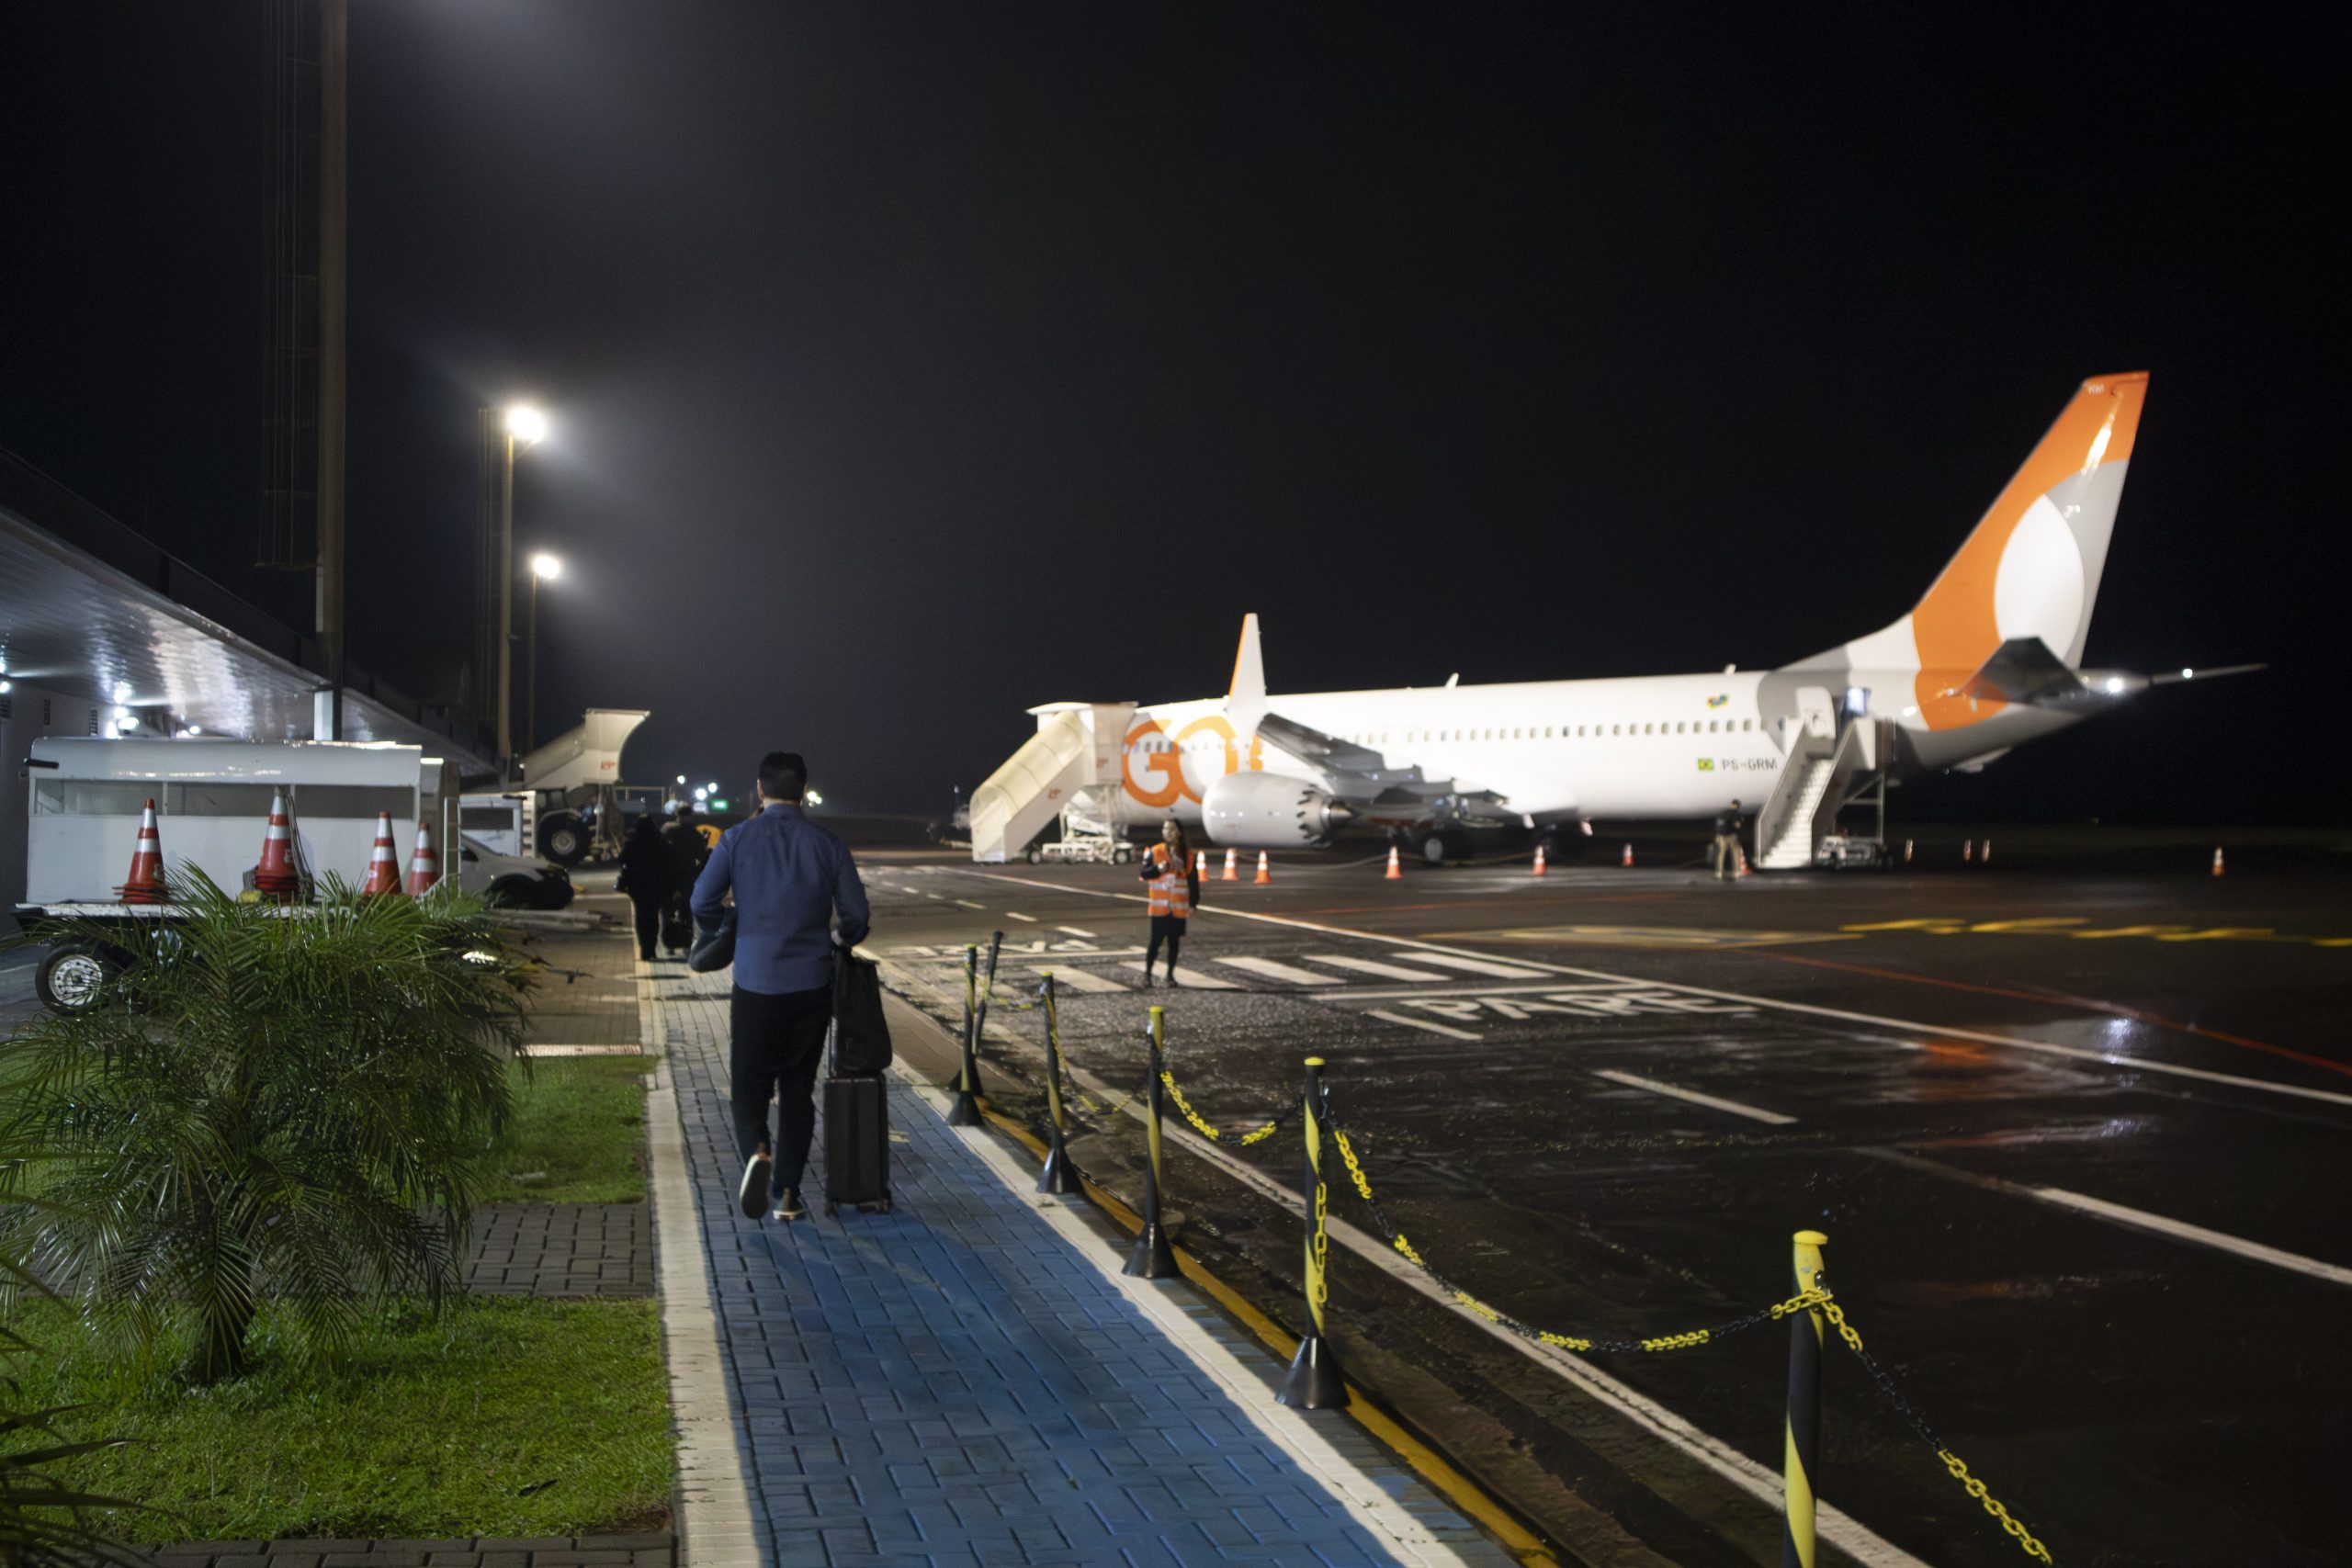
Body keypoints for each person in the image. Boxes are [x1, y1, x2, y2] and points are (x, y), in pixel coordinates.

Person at [692, 751, 870, 1224]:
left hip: (754, 981)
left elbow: (700, 900)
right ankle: (788, 1194)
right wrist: (837, 938)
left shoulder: (736, 839)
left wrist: (728, 925)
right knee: (797, 1090)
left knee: (749, 1085)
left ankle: (758, 1150)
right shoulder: (828, 844)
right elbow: (857, 917)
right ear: (805, 789)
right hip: (810, 984)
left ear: (759, 789)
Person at [1136, 819, 1199, 986]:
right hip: (1159, 907)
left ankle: (1169, 975)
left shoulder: (1187, 854)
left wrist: (1193, 903)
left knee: (1174, 943)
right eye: (1165, 829)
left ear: (1179, 832)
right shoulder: (1155, 851)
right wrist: (1158, 869)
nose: (1168, 832)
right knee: (1155, 942)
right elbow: (1144, 873)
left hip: (1178, 907)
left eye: (1171, 829)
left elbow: (1193, 881)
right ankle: (1147, 974)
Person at [615, 814, 672, 962]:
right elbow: (668, 860)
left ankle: (644, 948)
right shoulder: (659, 840)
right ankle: (652, 948)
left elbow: (622, 859)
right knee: (653, 917)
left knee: (641, 917)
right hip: (656, 884)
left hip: (637, 885)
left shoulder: (633, 840)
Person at [662, 806, 711, 954]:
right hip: (687, 878)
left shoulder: (667, 829)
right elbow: (701, 857)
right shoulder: (694, 834)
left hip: (668, 877)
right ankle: (685, 945)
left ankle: (669, 944)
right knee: (686, 912)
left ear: (677, 815)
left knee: (667, 911)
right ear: (690, 816)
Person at [1713, 798, 1745, 880]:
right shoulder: (1735, 814)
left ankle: (1719, 873)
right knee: (1735, 853)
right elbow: (1737, 825)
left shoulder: (1721, 813)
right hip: (1731, 836)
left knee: (1721, 855)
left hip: (1720, 837)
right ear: (1736, 806)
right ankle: (1737, 872)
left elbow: (1718, 825)